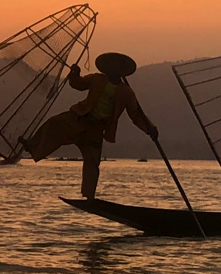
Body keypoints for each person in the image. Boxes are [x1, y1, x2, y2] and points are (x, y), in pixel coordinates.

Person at [17, 52, 159, 198]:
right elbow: (78, 84)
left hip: (97, 128)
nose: (113, 68)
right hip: (80, 117)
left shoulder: (127, 92)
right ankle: (32, 146)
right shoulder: (96, 79)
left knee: (92, 162)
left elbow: (136, 115)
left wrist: (150, 129)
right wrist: (74, 75)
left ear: (121, 70)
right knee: (54, 123)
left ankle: (89, 196)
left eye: (116, 66)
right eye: (111, 65)